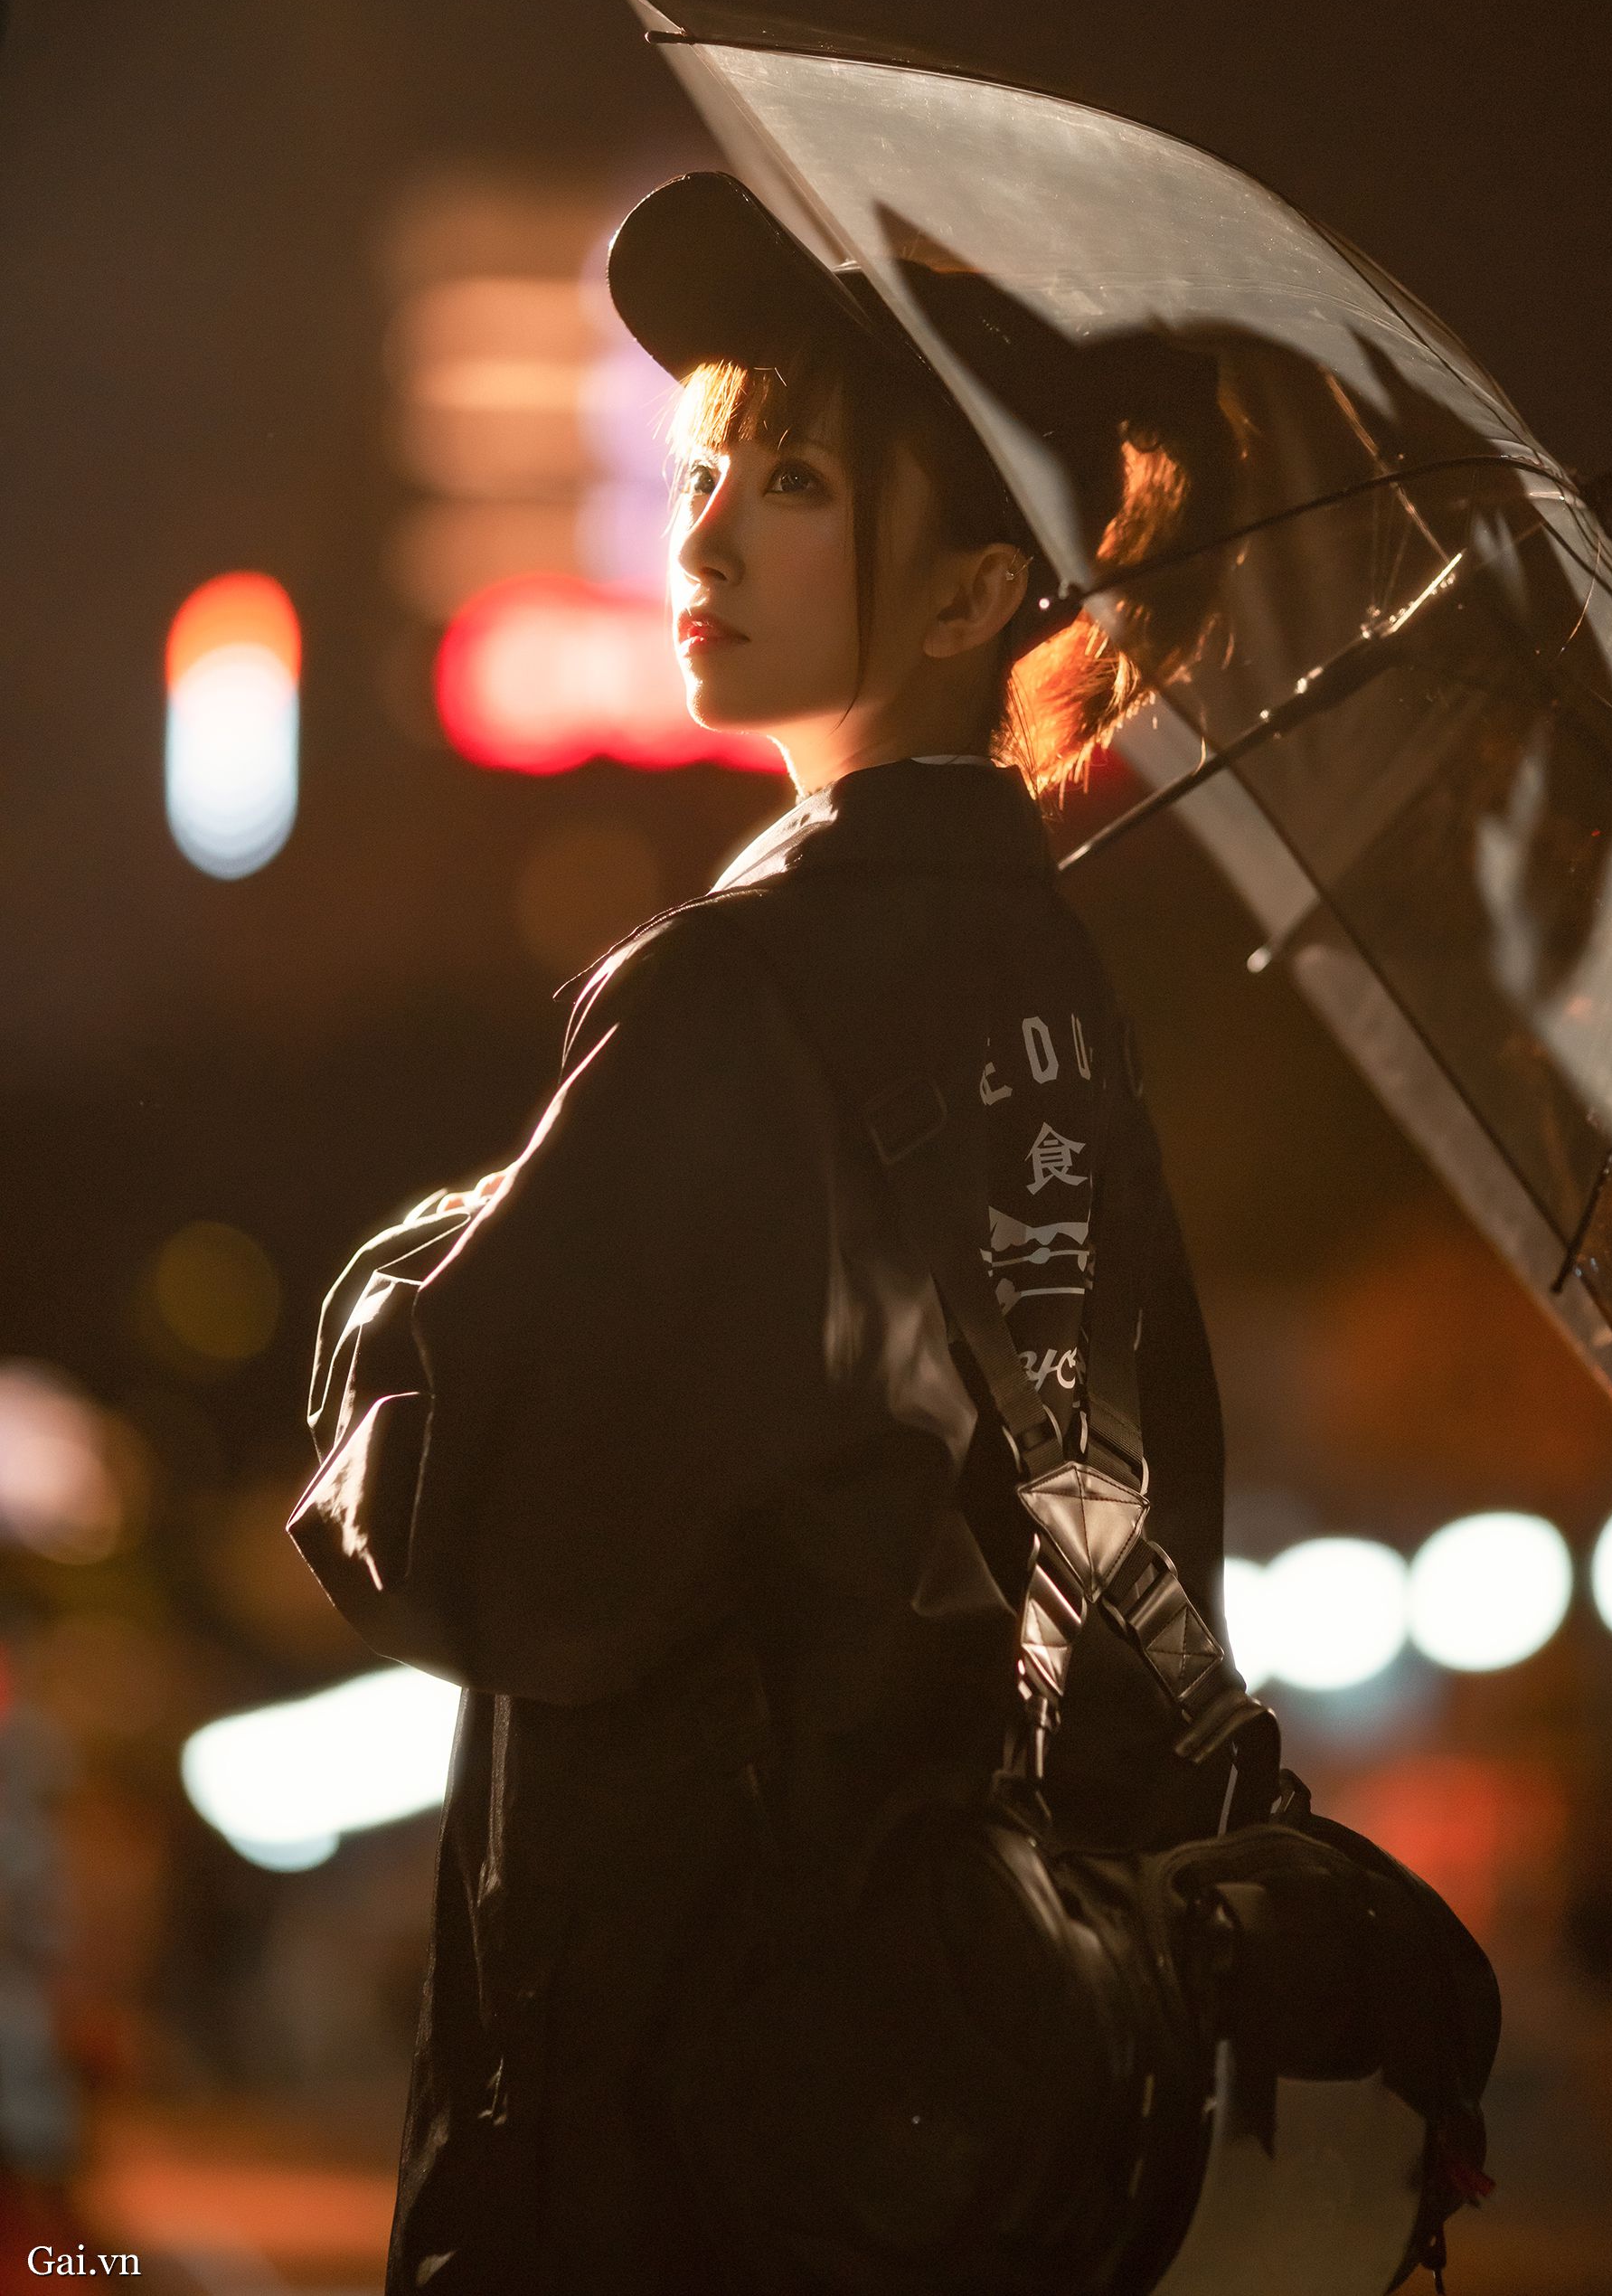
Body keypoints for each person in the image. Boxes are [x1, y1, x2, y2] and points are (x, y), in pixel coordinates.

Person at [290, 174, 1275, 2294]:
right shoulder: (1060, 1016)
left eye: (799, 483)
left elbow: (465, 1518)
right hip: (960, 2103)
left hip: (670, 2099)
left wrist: (406, 1272)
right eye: (705, 471)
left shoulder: (732, 995)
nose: (708, 537)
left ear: (974, 594)